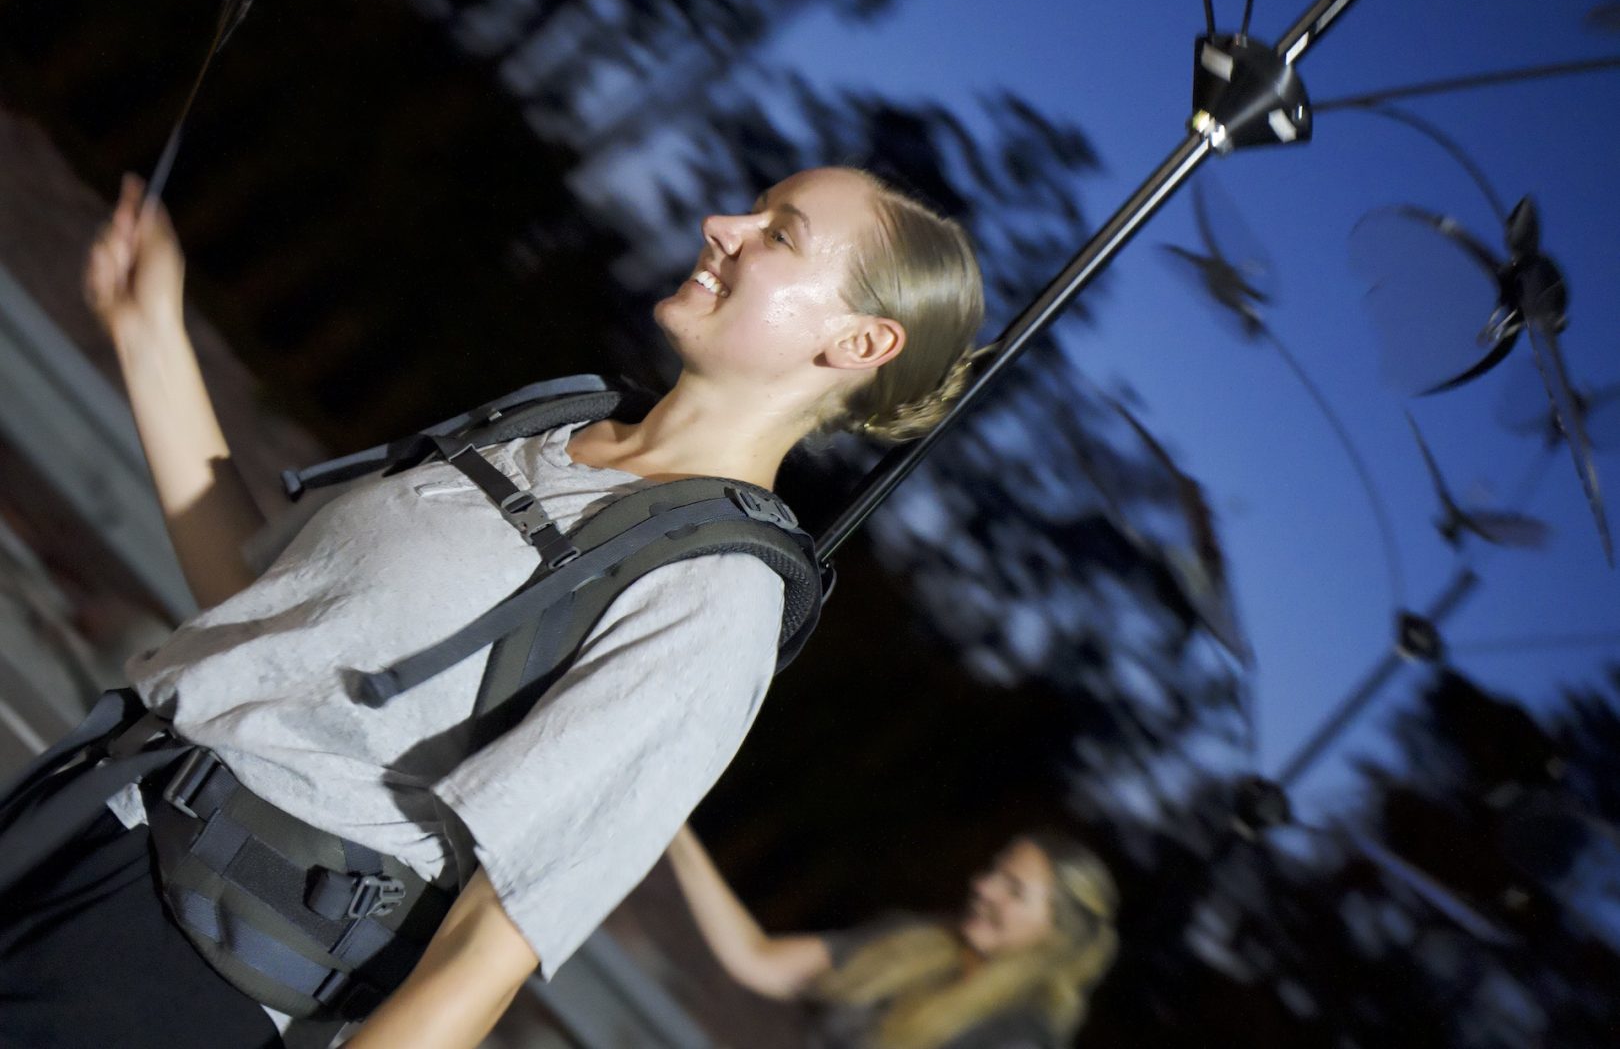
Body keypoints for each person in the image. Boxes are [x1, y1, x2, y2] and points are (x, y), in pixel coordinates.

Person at [0, 165, 984, 1049]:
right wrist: (151, 335)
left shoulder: (715, 597)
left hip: (175, 966)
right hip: (81, 811)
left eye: (780, 232)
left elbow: (481, 959)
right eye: (751, 206)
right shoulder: (557, 423)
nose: (721, 223)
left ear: (858, 342)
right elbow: (260, 620)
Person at [665, 825, 1119, 1049]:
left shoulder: (1019, 1036)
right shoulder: (915, 944)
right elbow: (758, 959)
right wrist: (674, 824)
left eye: (1014, 890)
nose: (983, 887)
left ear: (1056, 933)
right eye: (995, 872)